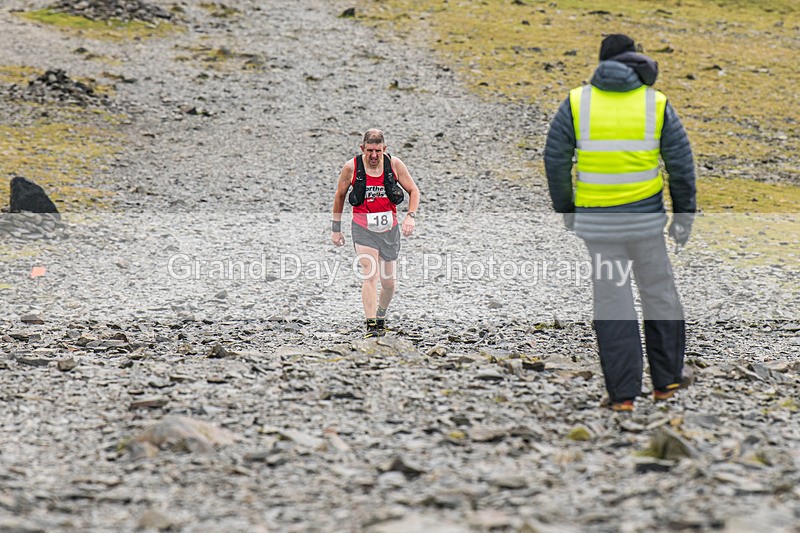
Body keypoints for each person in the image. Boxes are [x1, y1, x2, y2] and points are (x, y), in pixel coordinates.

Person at [544, 34, 696, 411]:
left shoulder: (578, 103)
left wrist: (567, 210)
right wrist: (684, 217)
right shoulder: (655, 103)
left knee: (613, 303)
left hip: (599, 229)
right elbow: (681, 167)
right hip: (646, 224)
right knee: (659, 294)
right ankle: (667, 384)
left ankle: (623, 397)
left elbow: (555, 160)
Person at [331, 129, 420, 337]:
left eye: (378, 151)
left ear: (384, 149)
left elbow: (414, 191)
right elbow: (340, 196)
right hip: (363, 228)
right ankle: (371, 326)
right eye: (369, 150)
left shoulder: (395, 165)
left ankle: (380, 315)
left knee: (388, 283)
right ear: (362, 148)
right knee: (370, 273)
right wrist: (336, 229)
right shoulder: (351, 167)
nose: (373, 156)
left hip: (389, 229)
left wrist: (410, 216)